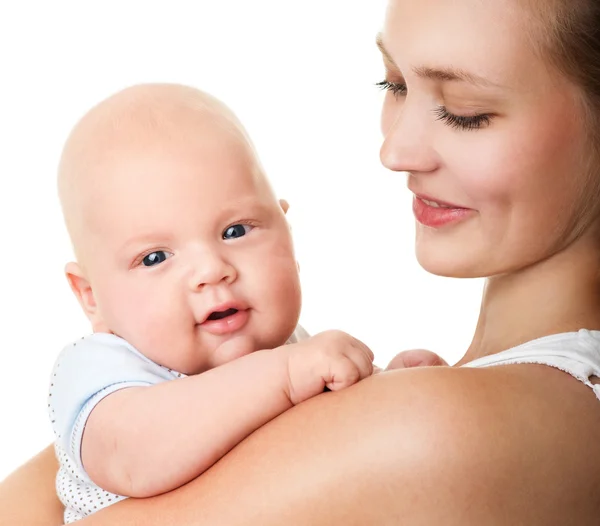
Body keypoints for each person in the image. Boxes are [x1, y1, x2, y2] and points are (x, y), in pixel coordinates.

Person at [3, 0, 600, 523]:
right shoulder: (120, 370)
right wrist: (378, 391)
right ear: (89, 295)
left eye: (466, 109)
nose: (393, 151)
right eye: (393, 85)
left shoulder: (444, 432)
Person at [49, 83, 376, 523]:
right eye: (155, 258)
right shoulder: (99, 368)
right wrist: (285, 375)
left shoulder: (293, 349)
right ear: (92, 297)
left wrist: (386, 391)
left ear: (287, 231)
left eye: (236, 231)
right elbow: (136, 456)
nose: (211, 270)